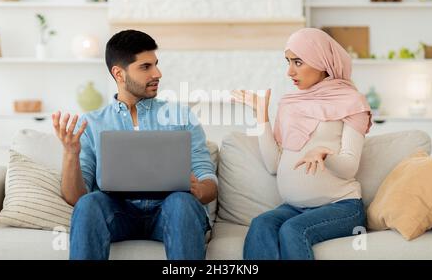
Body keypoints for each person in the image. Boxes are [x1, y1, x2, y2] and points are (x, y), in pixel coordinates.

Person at [51, 30, 217, 260]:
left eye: (156, 64)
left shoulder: (181, 116)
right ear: (119, 73)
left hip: (170, 211)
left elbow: (208, 179)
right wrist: (70, 153)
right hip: (118, 214)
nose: (157, 73)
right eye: (145, 67)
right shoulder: (91, 123)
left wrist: (200, 189)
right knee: (90, 204)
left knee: (181, 202)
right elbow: (76, 197)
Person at [232, 28, 372, 260]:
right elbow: (273, 165)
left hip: (342, 207)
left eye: (298, 62)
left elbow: (349, 167)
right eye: (288, 62)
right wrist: (261, 115)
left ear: (321, 61)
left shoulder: (352, 101)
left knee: (293, 230)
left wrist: (324, 154)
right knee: (261, 224)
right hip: (295, 208)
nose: (289, 72)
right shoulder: (290, 103)